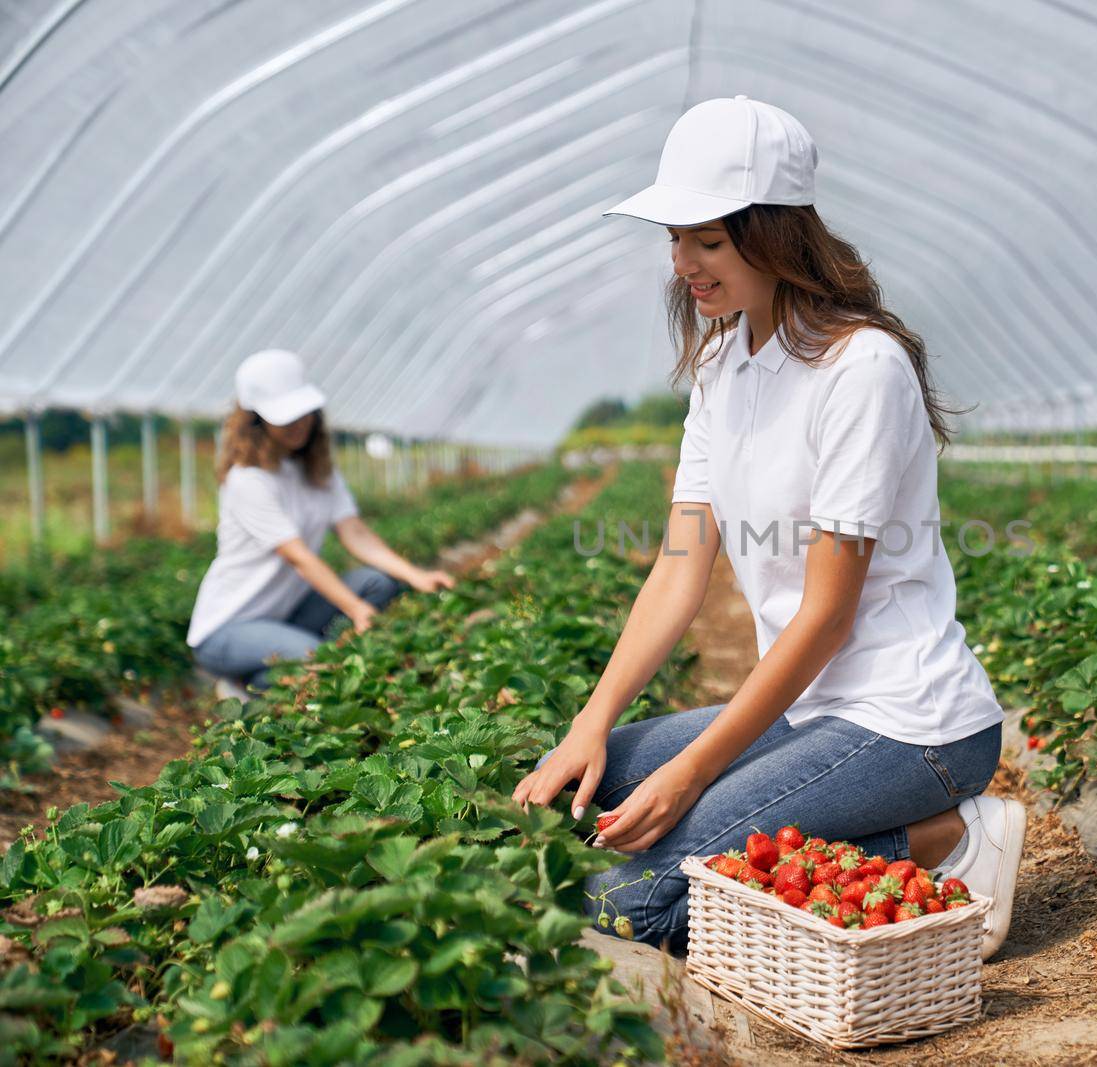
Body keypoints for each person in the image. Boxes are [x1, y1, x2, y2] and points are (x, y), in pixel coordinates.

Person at [513, 97, 1026, 958]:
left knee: (628, 898)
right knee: (587, 792)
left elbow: (825, 616)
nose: (683, 264)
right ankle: (876, 845)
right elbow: (680, 569)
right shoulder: (723, 365)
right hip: (811, 713)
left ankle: (946, 840)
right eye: (675, 239)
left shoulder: (861, 369)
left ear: (776, 237)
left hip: (909, 723)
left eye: (707, 241)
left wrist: (695, 771)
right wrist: (590, 724)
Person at [187, 349, 455, 692]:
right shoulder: (248, 480)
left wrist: (417, 576)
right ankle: (256, 684)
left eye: (303, 413)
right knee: (315, 657)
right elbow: (298, 557)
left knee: (377, 583)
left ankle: (294, 661)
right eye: (285, 417)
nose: (299, 424)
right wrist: (356, 610)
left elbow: (354, 532)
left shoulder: (314, 471)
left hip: (288, 612)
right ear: (256, 422)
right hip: (228, 628)